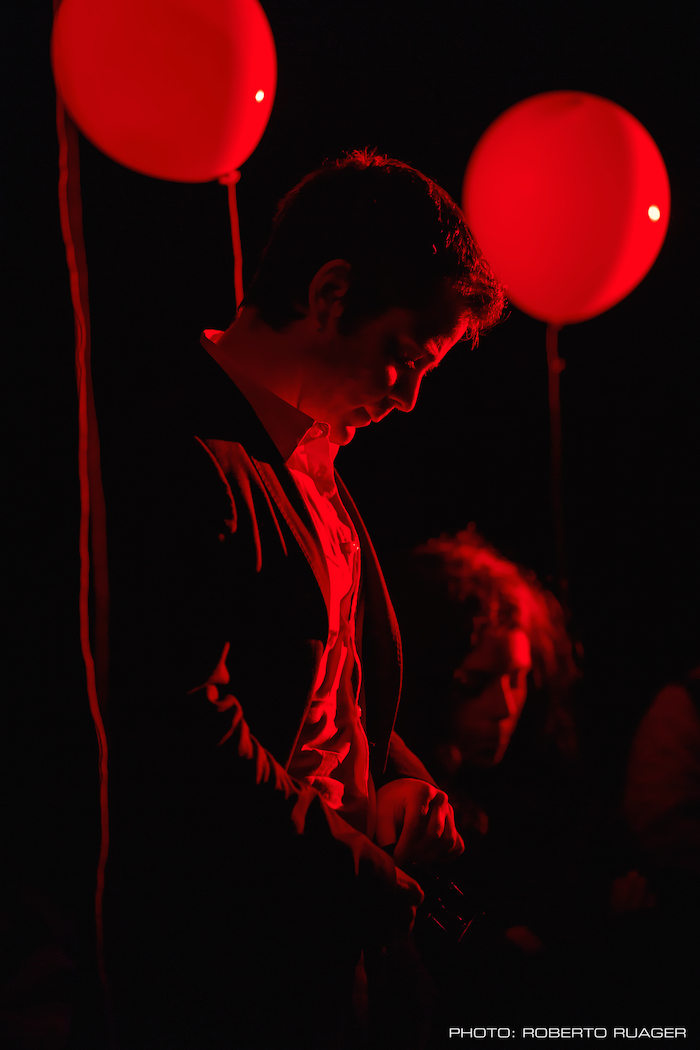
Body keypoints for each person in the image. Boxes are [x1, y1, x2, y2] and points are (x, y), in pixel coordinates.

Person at [102, 151, 504, 1049]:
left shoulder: (307, 457)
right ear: (330, 294)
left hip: (328, 944)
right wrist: (352, 870)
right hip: (241, 967)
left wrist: (398, 776)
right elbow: (182, 730)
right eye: (406, 356)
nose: (409, 398)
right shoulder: (185, 457)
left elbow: (333, 681)